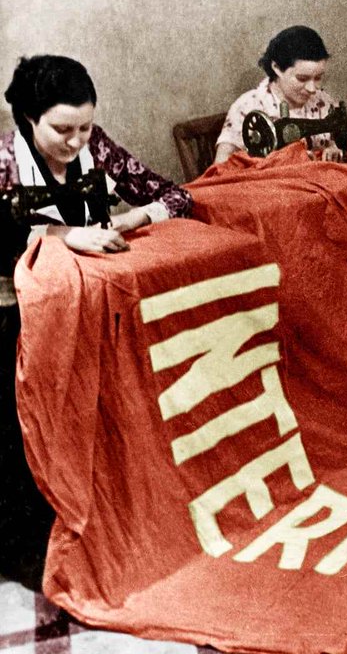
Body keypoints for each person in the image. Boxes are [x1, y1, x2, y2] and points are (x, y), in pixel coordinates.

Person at [0, 54, 193, 583]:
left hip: (93, 312)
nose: (76, 141)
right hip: (24, 320)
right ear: (29, 119)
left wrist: (128, 217)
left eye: (85, 126)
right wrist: (62, 236)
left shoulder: (96, 147)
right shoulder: (4, 162)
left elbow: (176, 197)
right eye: (62, 129)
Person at [215, 26, 347, 164]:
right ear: (276, 67)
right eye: (302, 79)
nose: (313, 88)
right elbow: (221, 166)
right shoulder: (248, 106)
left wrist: (340, 148)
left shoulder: (322, 101)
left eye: (318, 78)